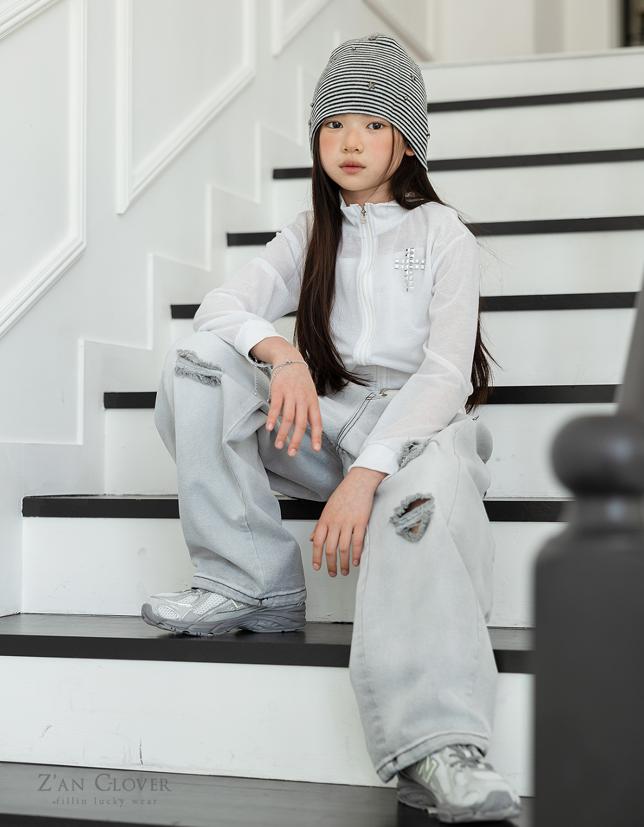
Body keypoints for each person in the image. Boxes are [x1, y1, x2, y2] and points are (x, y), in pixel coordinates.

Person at [143, 33, 521, 823]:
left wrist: (367, 475)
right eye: (335, 123)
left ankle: (440, 743)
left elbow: (445, 377)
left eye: (373, 124)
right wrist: (281, 355)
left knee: (422, 499)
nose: (351, 141)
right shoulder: (310, 231)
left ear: (406, 141)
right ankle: (248, 578)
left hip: (419, 426)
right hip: (329, 414)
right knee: (200, 361)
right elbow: (220, 308)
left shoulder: (443, 234)